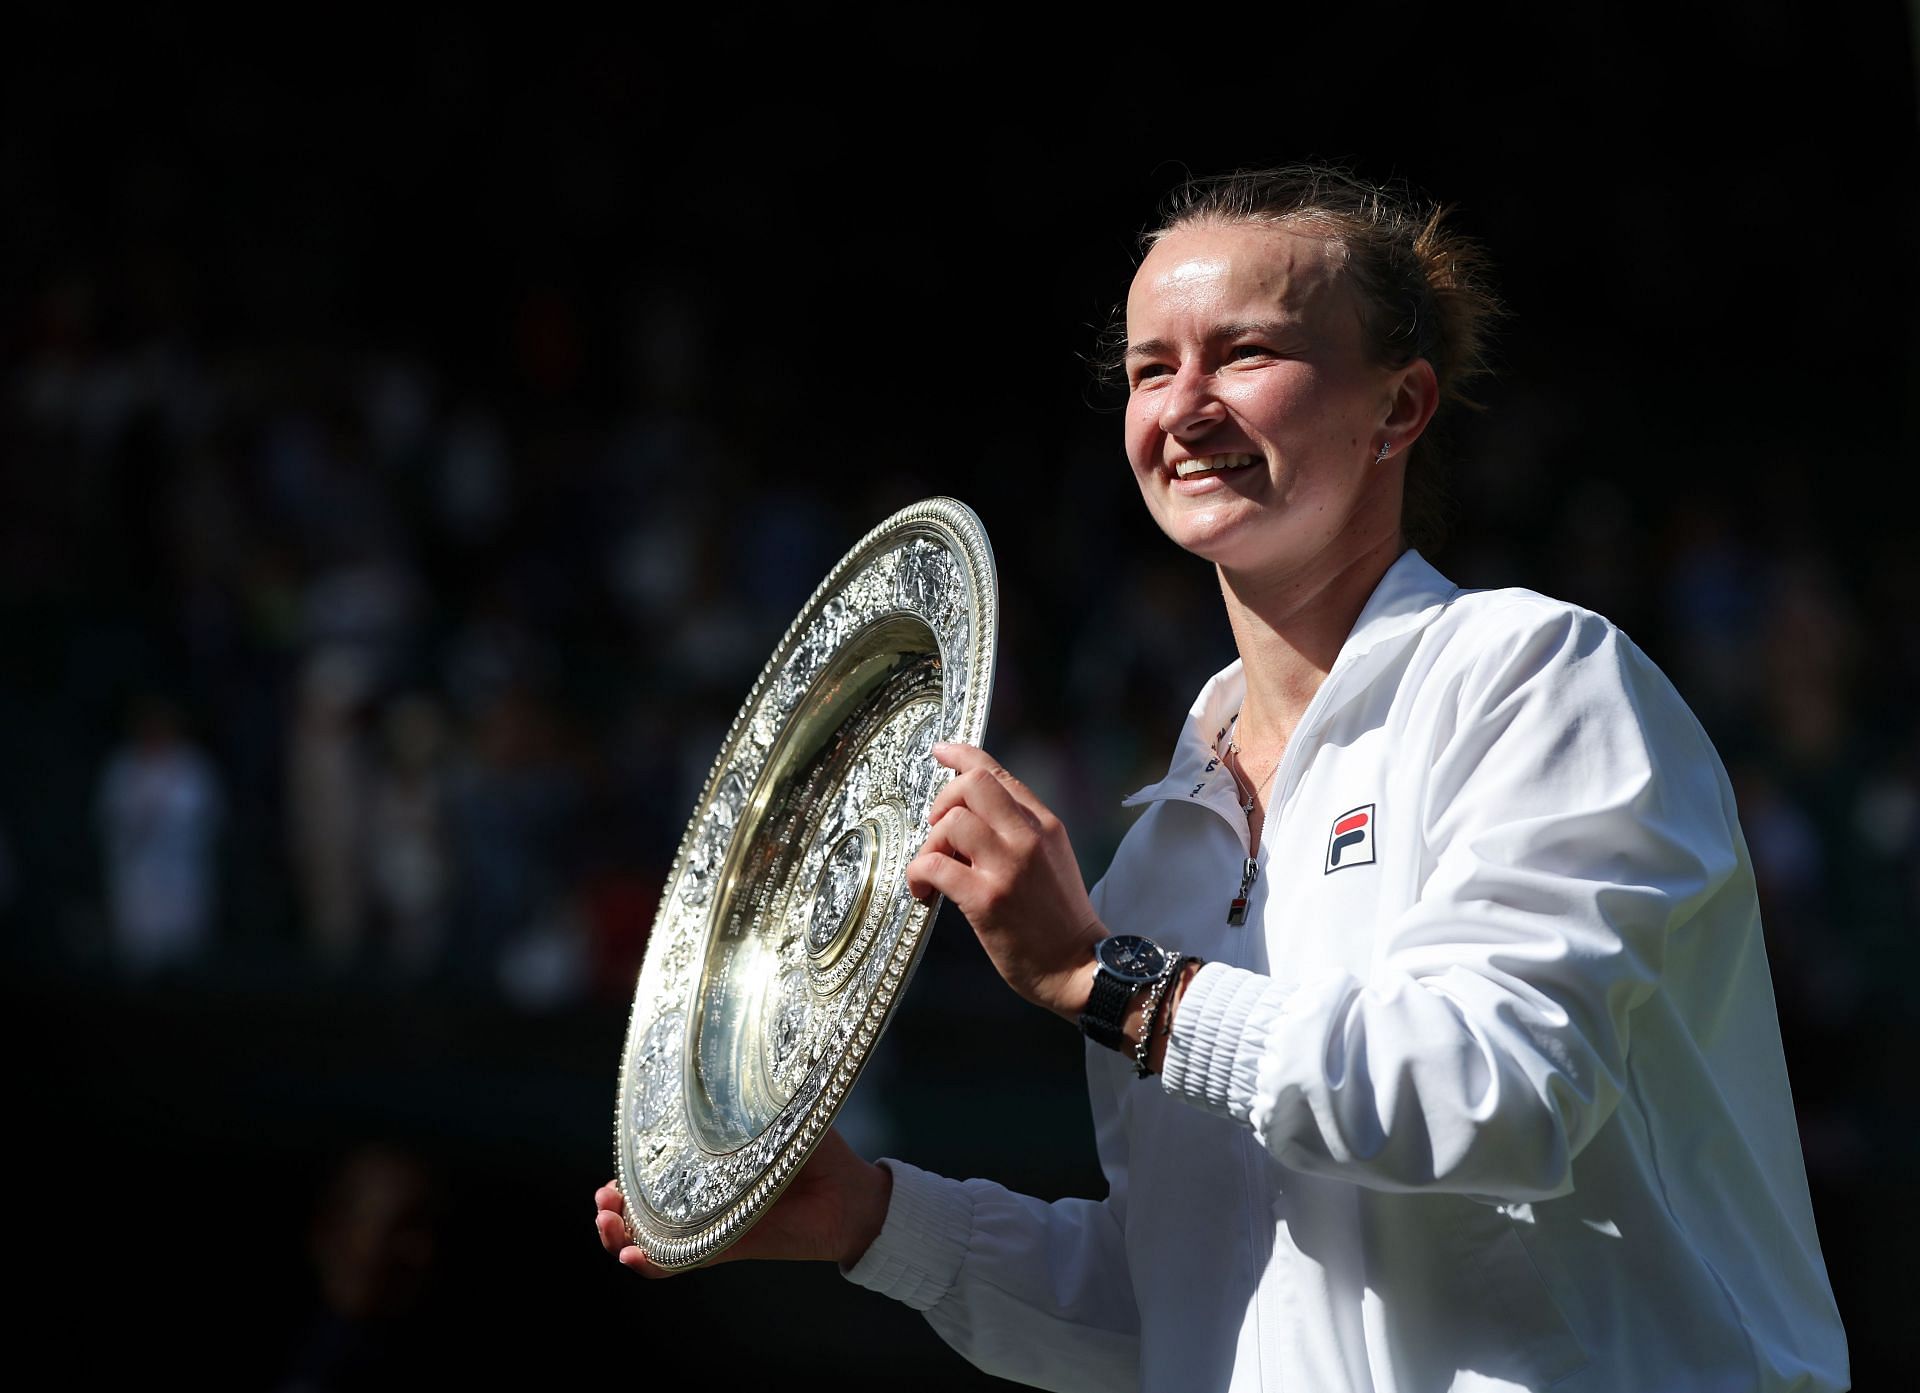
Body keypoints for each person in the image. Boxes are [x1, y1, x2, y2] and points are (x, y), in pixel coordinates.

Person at [595, 164, 1850, 1392]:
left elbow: (1500, 1094)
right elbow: (1189, 1310)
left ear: (1398, 410)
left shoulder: (1534, 675)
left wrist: (1113, 983)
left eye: (1244, 355)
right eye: (1152, 367)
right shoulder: (1157, 858)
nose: (1186, 406)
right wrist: (874, 1222)